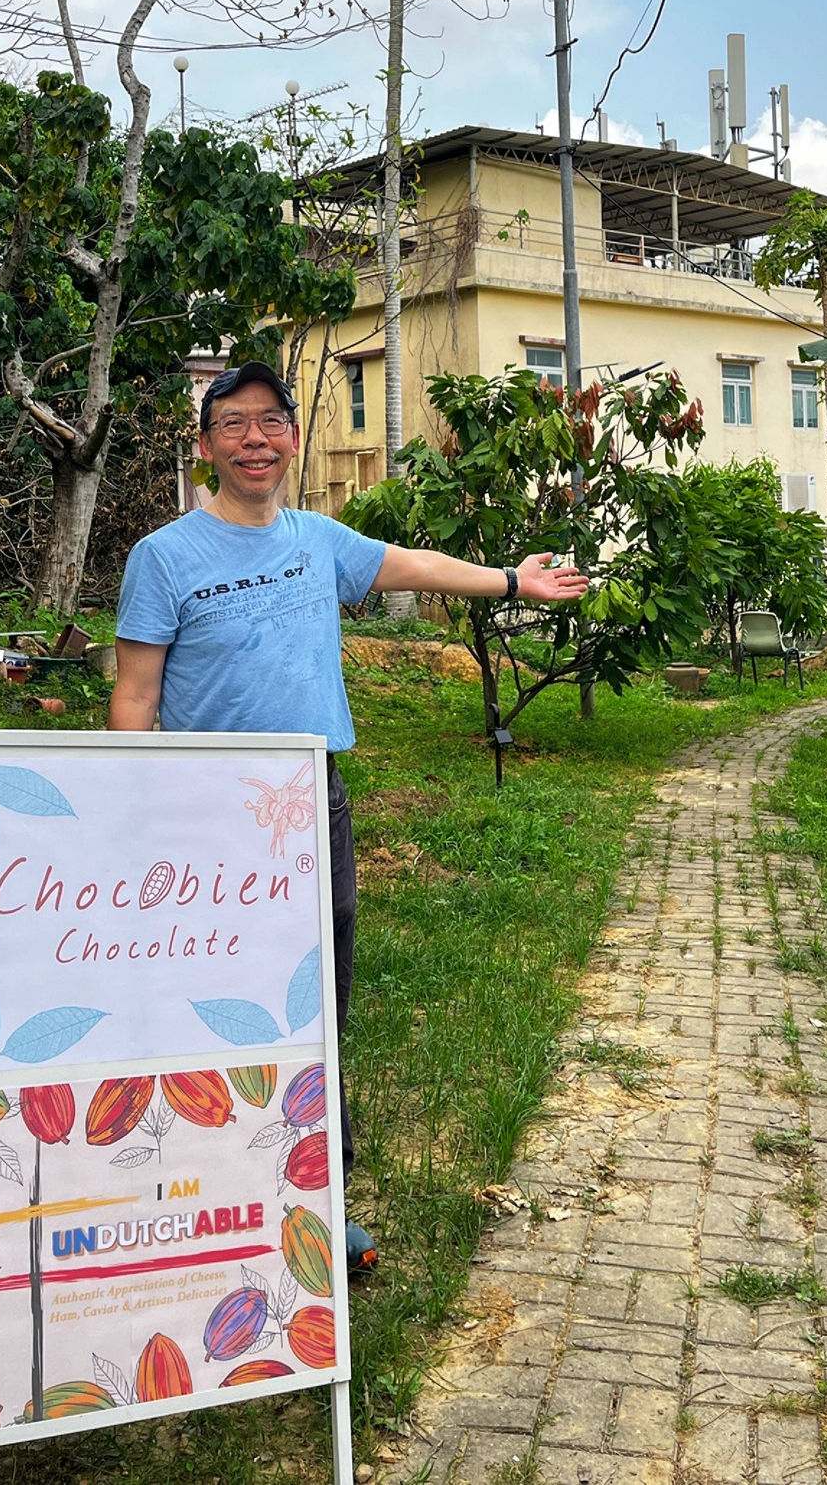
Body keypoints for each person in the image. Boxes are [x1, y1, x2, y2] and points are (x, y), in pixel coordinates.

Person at [108, 360, 587, 1273]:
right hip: (201, 811)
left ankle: (316, 1198)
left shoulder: (316, 539)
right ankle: (192, 1199)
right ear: (206, 445)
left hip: (306, 801)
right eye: (236, 423)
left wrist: (512, 583)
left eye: (273, 421)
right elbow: (135, 696)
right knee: (200, 1004)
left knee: (312, 1004)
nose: (257, 437)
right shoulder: (164, 557)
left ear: (293, 439)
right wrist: (133, 815)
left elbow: (412, 564)